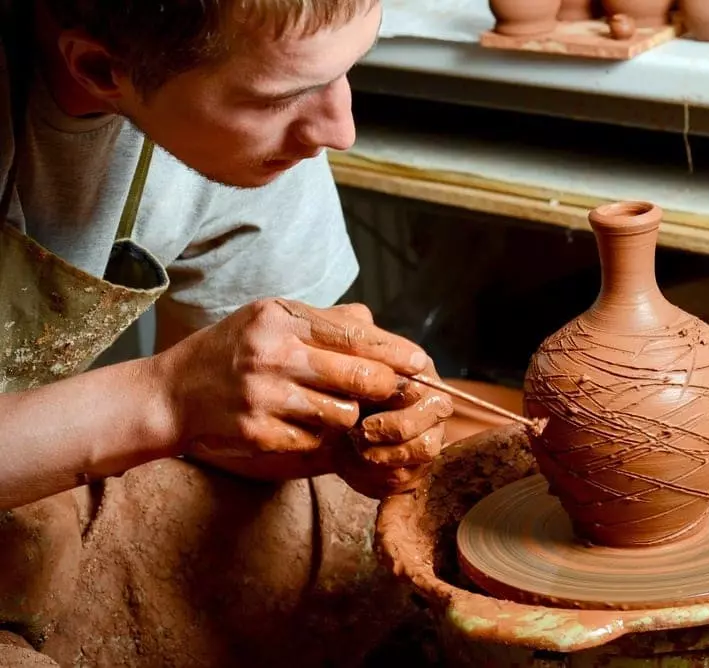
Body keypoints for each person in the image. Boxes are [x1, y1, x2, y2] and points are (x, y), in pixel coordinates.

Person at [0, 0, 453, 665]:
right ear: (99, 68)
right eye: (280, 99)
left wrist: (334, 427)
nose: (340, 128)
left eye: (348, 68)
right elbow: (180, 404)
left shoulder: (245, 92)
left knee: (376, 538)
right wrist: (164, 397)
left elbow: (230, 429)